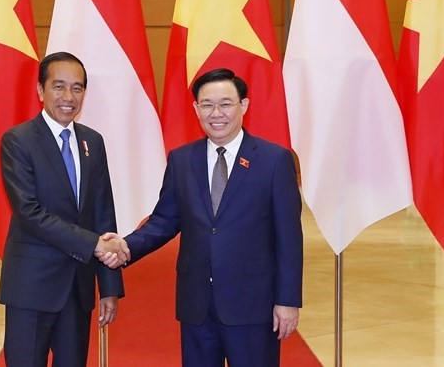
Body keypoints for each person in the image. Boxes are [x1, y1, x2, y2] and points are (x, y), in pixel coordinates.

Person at [100, 68, 303, 367]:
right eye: (207, 105)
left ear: (243, 106)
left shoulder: (274, 160)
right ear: (196, 109)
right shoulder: (182, 160)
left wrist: (287, 300)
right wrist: (125, 246)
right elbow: (164, 220)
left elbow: (289, 237)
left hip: (252, 305)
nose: (216, 113)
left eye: (226, 103)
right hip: (197, 306)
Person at [0, 51, 130, 367]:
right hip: (31, 287)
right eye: (58, 86)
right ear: (41, 91)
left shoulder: (92, 142)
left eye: (77, 88)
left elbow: (103, 213)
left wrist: (109, 285)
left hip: (77, 289)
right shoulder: (18, 141)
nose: (68, 97)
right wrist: (93, 245)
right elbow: (28, 212)